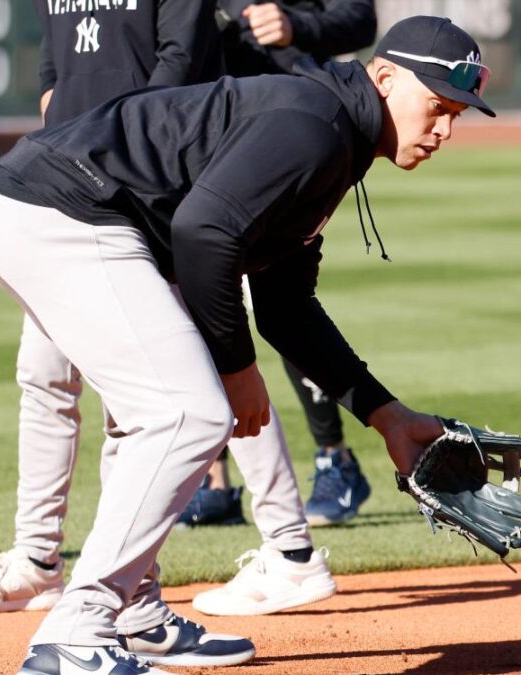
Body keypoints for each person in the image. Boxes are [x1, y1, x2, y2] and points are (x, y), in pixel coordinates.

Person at [0, 14, 493, 674]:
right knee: (190, 414)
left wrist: (386, 415)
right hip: (60, 212)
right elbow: (204, 233)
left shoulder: (331, 132)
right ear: (385, 77)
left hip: (48, 208)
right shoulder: (315, 126)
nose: (445, 130)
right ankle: (75, 633)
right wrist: (236, 367)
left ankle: (130, 611)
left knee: (147, 419)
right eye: (438, 106)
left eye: (457, 115)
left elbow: (288, 306)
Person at [0, 0, 340, 632]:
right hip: (68, 188)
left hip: (147, 184)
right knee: (45, 378)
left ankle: (289, 549)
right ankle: (38, 559)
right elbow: (52, 67)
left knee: (211, 367)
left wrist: (122, 143)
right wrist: (67, 135)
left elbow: (183, 61)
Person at [182, 0, 378, 530]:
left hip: (295, 125)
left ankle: (335, 459)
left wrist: (298, 25)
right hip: (212, 118)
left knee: (277, 297)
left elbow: (361, 18)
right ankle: (213, 479)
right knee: (197, 297)